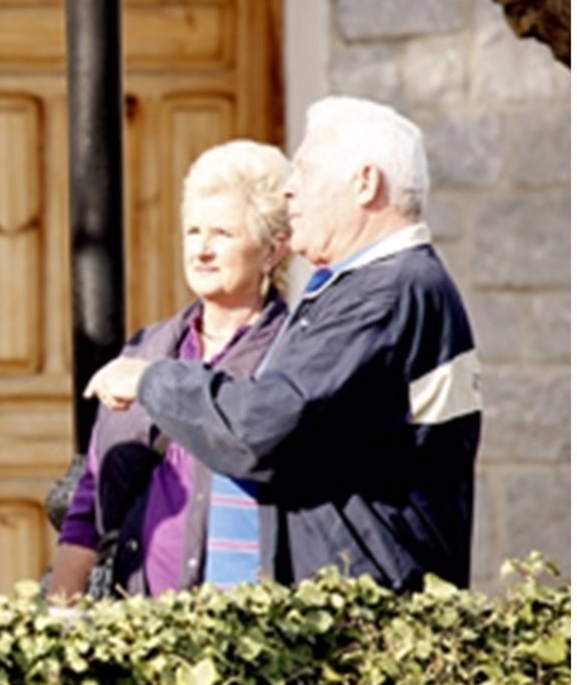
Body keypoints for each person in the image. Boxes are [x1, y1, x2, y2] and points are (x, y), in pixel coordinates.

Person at [85, 96, 482, 590]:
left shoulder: (386, 293)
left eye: (306, 173)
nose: (290, 191)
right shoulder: (371, 286)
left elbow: (264, 424)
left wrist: (151, 379)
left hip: (361, 617)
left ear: (365, 183)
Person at [49, 140, 292, 599]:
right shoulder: (150, 347)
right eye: (192, 231)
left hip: (249, 623)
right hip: (141, 618)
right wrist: (60, 603)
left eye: (222, 233)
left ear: (272, 251)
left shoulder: (290, 356)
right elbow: (91, 495)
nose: (201, 250)